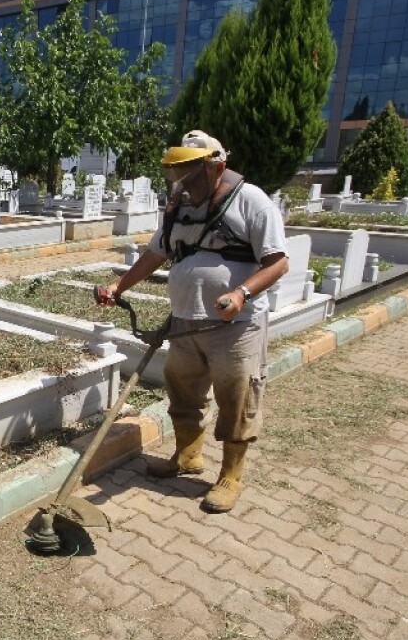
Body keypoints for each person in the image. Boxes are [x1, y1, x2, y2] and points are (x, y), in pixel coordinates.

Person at [98, 130, 288, 513]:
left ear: (216, 166)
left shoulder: (251, 201)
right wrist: (119, 285)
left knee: (237, 399)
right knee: (183, 393)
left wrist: (241, 294)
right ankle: (187, 457)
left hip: (235, 327)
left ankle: (231, 475)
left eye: (189, 173)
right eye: (175, 173)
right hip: (185, 322)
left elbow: (278, 261)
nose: (180, 182)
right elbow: (154, 255)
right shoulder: (179, 208)